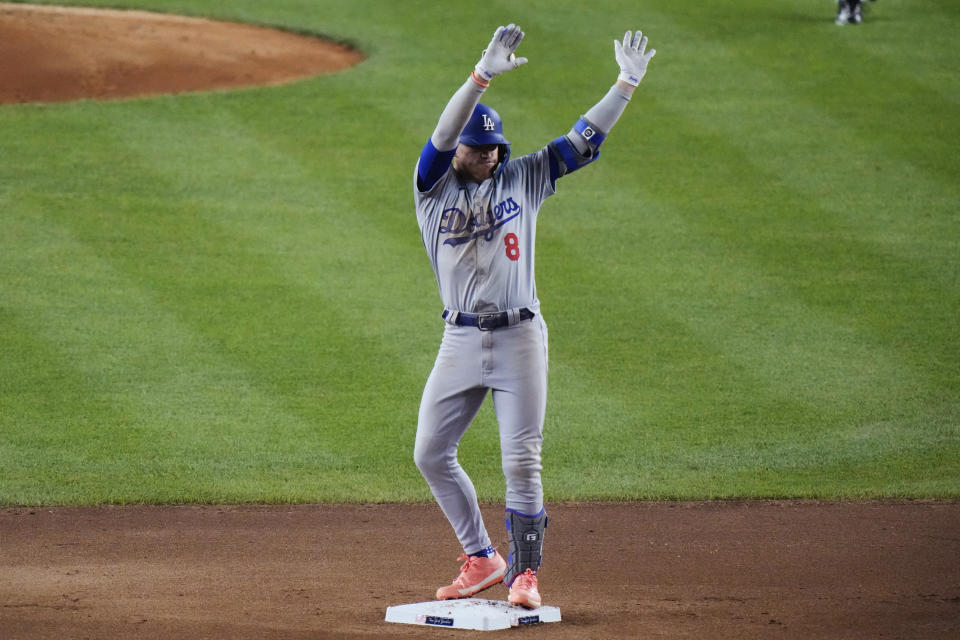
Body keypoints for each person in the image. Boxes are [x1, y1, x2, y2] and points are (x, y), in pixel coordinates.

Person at [412, 24, 656, 609]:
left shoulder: (524, 177)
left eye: (496, 146)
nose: (491, 154)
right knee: (429, 452)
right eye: (479, 147)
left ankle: (525, 575)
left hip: (520, 336)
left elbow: (582, 139)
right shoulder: (431, 191)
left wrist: (625, 83)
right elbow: (444, 133)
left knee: (521, 457)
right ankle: (480, 557)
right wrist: (481, 75)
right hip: (460, 339)